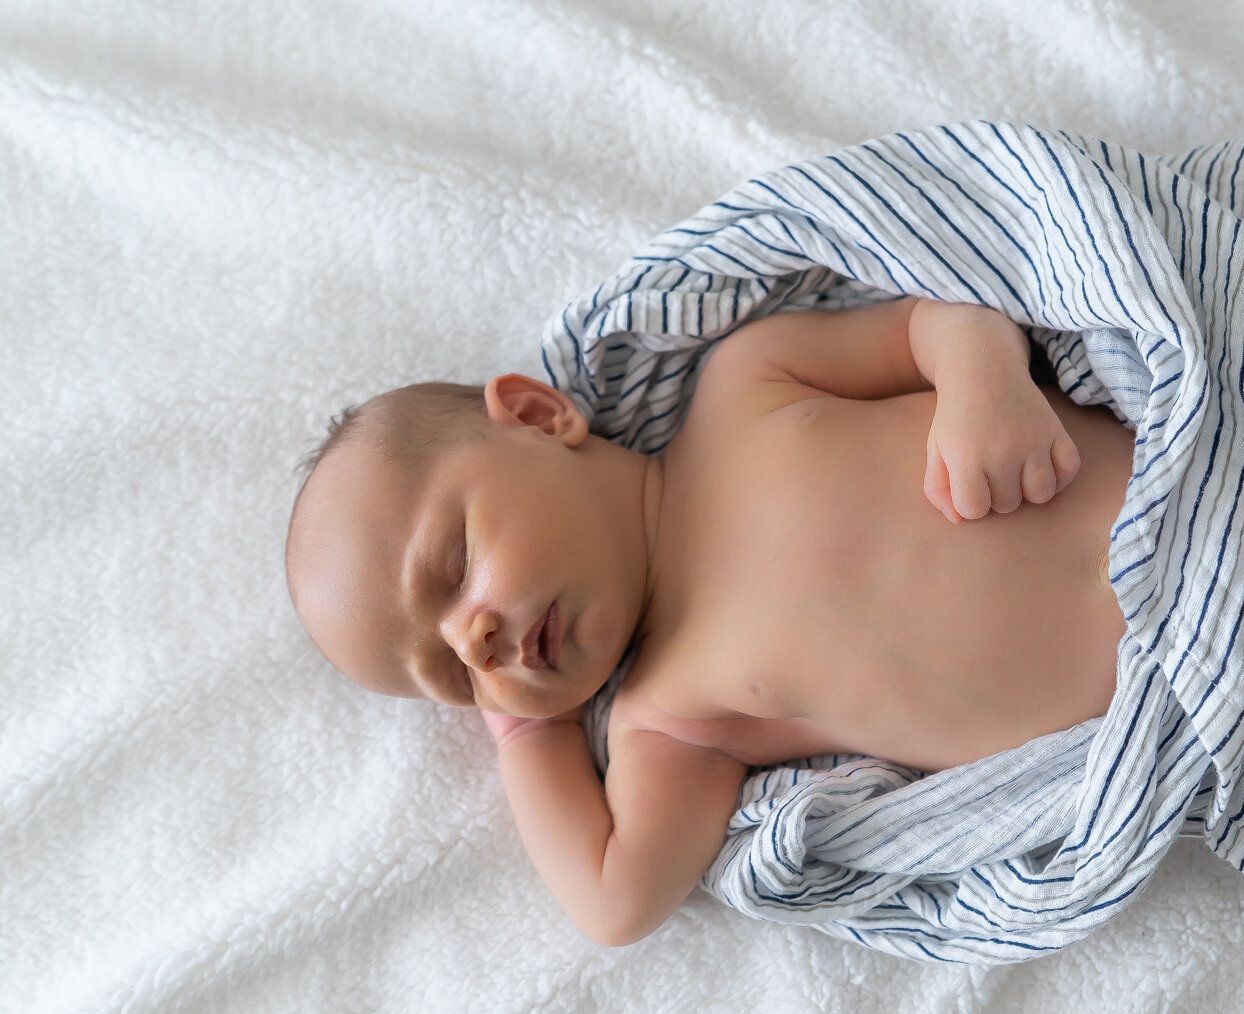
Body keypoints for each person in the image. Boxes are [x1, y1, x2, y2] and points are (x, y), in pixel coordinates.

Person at [283, 297, 1138, 947]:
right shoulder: (670, 718)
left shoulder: (749, 382)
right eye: (453, 678)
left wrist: (983, 386)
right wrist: (525, 733)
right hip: (1188, 671)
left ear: (541, 417)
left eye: (454, 566)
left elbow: (937, 319)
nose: (473, 640)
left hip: (1202, 479)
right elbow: (614, 902)